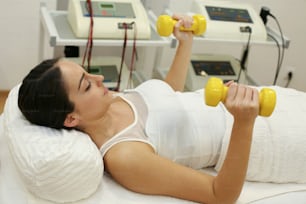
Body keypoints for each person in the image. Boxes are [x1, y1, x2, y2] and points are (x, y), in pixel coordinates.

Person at [17, 14, 306, 204]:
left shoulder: (109, 101)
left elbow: (168, 97)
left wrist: (184, 44)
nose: (100, 79)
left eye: (88, 73)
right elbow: (221, 195)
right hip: (264, 139)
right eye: (86, 85)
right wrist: (244, 122)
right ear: (71, 118)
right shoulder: (125, 155)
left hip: (262, 104)